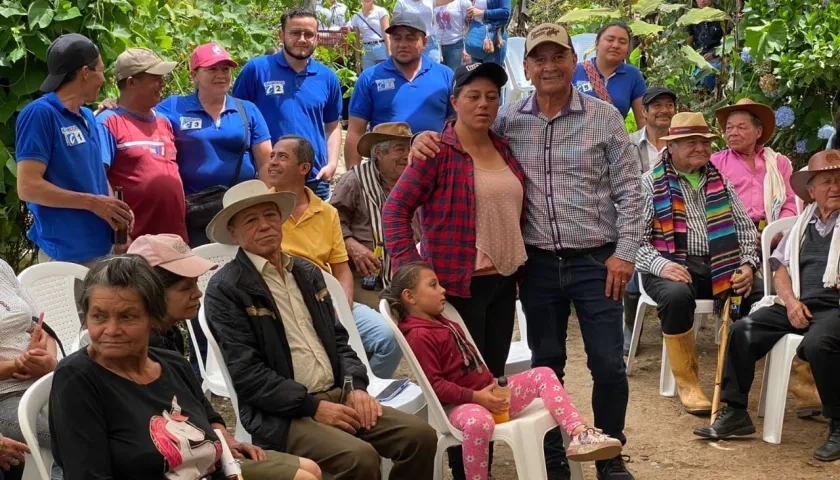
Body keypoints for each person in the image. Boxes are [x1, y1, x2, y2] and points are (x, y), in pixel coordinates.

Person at [410, 23, 644, 480]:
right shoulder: (508, 120)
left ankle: (610, 457)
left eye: (559, 57)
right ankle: (554, 454)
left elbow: (631, 194)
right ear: (528, 67)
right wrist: (425, 137)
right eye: (540, 58)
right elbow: (464, 128)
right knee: (547, 362)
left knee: (609, 365)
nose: (550, 65)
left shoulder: (605, 117)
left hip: (597, 260)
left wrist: (626, 252)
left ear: (574, 63)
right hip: (535, 265)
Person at [203, 180, 437, 478]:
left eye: (271, 215)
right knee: (359, 458)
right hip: (282, 415)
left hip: (338, 393)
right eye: (251, 220)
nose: (265, 225)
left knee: (420, 436)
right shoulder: (226, 289)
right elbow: (248, 376)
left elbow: (340, 340)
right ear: (234, 234)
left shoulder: (307, 272)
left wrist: (356, 387)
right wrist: (313, 407)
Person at [49, 255, 324, 480]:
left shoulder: (172, 364)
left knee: (311, 472)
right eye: (99, 316)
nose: (111, 330)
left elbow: (209, 424)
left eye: (127, 316)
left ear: (152, 317)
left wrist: (228, 449)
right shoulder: (77, 379)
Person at [383, 63, 523, 479]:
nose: (483, 104)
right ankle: (466, 472)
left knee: (491, 375)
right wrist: (413, 272)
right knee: (465, 387)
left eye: (492, 97)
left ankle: (483, 460)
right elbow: (395, 210)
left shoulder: (503, 147)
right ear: (454, 101)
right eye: (473, 96)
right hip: (458, 286)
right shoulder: (436, 151)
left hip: (502, 282)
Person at [383, 262, 623, 480]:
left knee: (544, 374)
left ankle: (579, 433)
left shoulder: (441, 320)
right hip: (458, 406)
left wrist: (491, 391)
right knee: (479, 423)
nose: (442, 290)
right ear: (410, 297)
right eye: (433, 285)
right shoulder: (419, 335)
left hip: (487, 393)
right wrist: (477, 397)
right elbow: (436, 386)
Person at [127, 234, 325, 480]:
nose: (197, 293)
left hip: (206, 447)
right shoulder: (140, 348)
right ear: (150, 293)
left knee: (311, 469)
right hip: (184, 463)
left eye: (196, 283)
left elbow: (198, 404)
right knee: (303, 477)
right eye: (185, 287)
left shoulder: (170, 336)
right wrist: (219, 450)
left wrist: (226, 437)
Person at [694, 150, 840, 463]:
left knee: (819, 344)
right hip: (799, 301)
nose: (835, 187)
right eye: (826, 182)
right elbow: (781, 268)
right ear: (811, 191)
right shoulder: (802, 224)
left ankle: (838, 423)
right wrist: (789, 302)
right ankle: (735, 412)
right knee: (744, 329)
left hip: (836, 307)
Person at [635, 111, 762, 415]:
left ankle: (733, 383)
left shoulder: (720, 182)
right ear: (671, 148)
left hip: (719, 263)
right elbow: (633, 242)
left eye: (704, 142)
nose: (700, 148)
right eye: (690, 142)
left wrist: (747, 264)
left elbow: (746, 230)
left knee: (756, 293)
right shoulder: (649, 184)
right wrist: (661, 266)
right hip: (668, 264)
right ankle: (688, 381)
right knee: (677, 296)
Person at [260, 137, 401, 378]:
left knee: (389, 340)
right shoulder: (260, 210)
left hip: (327, 300)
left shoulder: (326, 212)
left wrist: (342, 307)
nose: (272, 162)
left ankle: (361, 391)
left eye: (282, 157)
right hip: (286, 306)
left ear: (304, 168)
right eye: (272, 156)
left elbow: (341, 269)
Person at [16, 34, 131, 265]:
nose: (104, 79)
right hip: (64, 257)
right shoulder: (40, 113)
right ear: (85, 73)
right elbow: (27, 187)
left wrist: (115, 212)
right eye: (100, 70)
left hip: (102, 251)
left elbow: (96, 173)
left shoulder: (87, 115)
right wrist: (93, 203)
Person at [156, 42, 272, 248]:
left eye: (225, 69)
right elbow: (137, 116)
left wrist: (264, 207)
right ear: (194, 75)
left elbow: (265, 163)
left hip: (240, 210)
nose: (221, 75)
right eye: (212, 69)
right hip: (195, 212)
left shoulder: (247, 110)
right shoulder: (173, 107)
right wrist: (111, 105)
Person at [233, 8, 343, 200]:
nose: (302, 39)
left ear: (317, 38)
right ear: (281, 34)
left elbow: (332, 125)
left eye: (309, 34)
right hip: (270, 177)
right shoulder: (257, 70)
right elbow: (238, 120)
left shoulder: (327, 77)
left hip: (314, 178)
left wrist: (332, 163)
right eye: (295, 33)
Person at [345, 12, 455, 169]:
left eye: (410, 38)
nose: (402, 44)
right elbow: (355, 131)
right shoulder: (370, 77)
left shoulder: (445, 75)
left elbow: (456, 125)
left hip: (433, 168)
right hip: (386, 173)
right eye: (397, 38)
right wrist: (353, 175)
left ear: (424, 42)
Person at [98, 48, 185, 244]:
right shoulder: (108, 122)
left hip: (174, 239)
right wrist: (121, 234)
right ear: (131, 82)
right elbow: (98, 179)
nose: (162, 83)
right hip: (135, 243)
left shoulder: (164, 121)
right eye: (155, 78)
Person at [330, 122, 414, 307]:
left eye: (409, 149)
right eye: (399, 149)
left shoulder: (415, 181)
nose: (407, 156)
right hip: (366, 280)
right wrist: (352, 246)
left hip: (410, 279)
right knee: (389, 322)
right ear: (378, 153)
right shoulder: (354, 180)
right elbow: (331, 223)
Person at [622, 86, 677, 355]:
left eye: (669, 105)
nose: (663, 110)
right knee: (631, 254)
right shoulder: (628, 143)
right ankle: (631, 327)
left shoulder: (681, 144)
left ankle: (673, 325)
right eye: (656, 105)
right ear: (643, 112)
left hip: (674, 222)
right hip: (636, 218)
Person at [0, 259, 58, 474]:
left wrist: (49, 362)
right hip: (6, 396)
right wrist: (17, 364)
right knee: (79, 431)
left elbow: (43, 327)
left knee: (105, 409)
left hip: (45, 380)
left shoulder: (2, 268)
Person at [712, 98, 797, 228]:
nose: (733, 133)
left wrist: (777, 231)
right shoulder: (714, 162)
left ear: (758, 132)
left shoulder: (778, 163)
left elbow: (790, 203)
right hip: (730, 235)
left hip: (773, 233)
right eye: (729, 128)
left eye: (741, 127)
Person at [573, 21, 646, 124]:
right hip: (576, 138)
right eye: (610, 39)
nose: (616, 45)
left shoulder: (633, 75)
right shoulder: (575, 71)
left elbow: (642, 119)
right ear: (597, 43)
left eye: (622, 42)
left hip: (614, 139)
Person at [687, 0, 724, 91]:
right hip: (701, 62)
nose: (703, 1)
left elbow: (730, 42)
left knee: (707, 76)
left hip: (720, 60)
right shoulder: (692, 18)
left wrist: (715, 54)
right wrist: (696, 58)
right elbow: (688, 45)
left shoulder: (722, 16)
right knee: (693, 81)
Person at [462, 0, 510, 66]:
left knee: (492, 74)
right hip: (475, 39)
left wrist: (483, 13)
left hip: (494, 40)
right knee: (477, 74)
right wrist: (469, 14)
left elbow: (506, 12)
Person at [350, 0, 391, 70]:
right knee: (368, 76)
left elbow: (386, 33)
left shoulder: (381, 11)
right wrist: (357, 61)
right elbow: (356, 41)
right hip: (366, 50)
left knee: (383, 75)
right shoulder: (356, 16)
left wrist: (390, 53)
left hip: (380, 47)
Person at [435, 0, 472, 71]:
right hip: (436, 46)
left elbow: (469, 25)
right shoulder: (434, 1)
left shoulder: (463, 2)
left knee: (454, 77)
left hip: (455, 46)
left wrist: (466, 48)